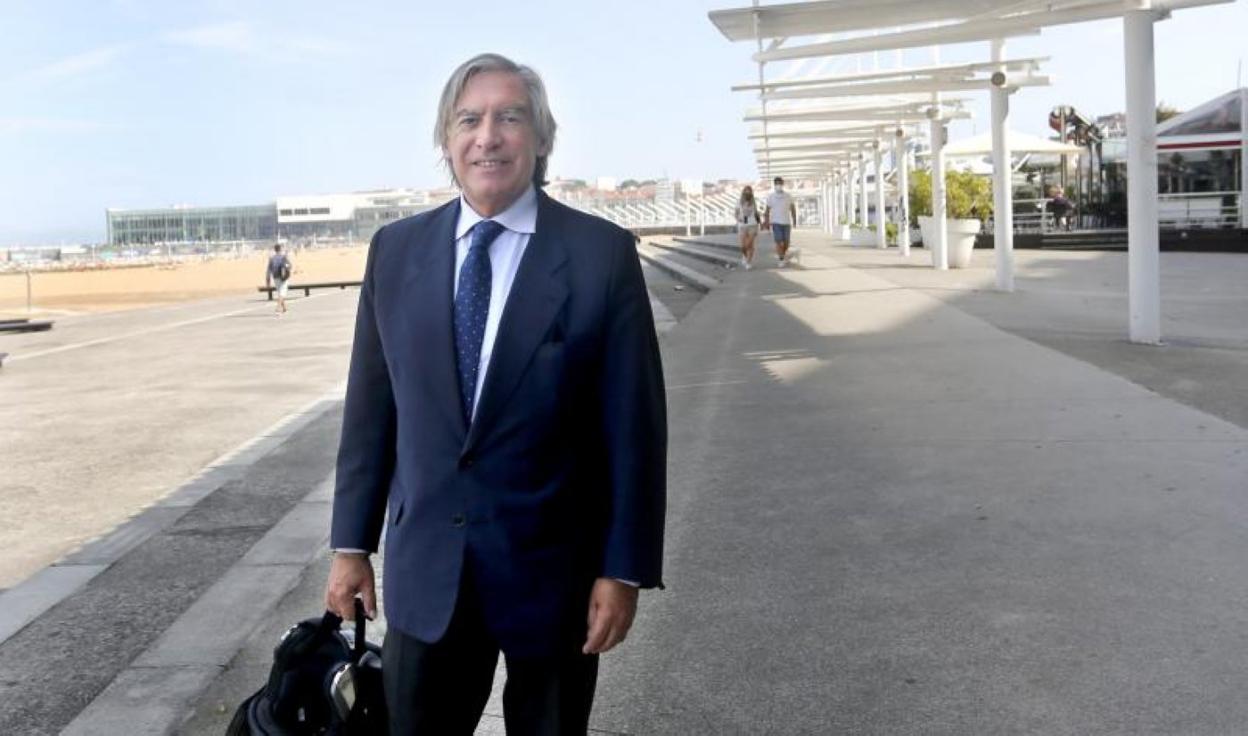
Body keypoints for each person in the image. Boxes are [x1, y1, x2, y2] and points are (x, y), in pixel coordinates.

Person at [325, 53, 667, 735]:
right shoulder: (395, 252)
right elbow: (371, 412)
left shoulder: (599, 254)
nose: (489, 136)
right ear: (446, 142)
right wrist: (349, 545)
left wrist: (623, 570)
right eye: (469, 120)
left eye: (510, 118)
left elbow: (635, 428)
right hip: (427, 576)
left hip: (557, 576)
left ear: (540, 138)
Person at [763, 176, 797, 267]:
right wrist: (766, 222)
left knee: (786, 243)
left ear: (783, 184)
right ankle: (781, 259)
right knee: (779, 241)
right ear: (774, 185)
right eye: (777, 184)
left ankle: (783, 255)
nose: (779, 185)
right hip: (776, 222)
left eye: (780, 183)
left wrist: (794, 220)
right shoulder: (771, 196)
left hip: (786, 222)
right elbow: (767, 210)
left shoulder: (788, 196)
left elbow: (793, 208)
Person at [735, 186, 760, 269]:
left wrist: (760, 223)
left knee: (750, 244)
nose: (747, 193)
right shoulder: (739, 202)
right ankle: (744, 256)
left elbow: (756, 213)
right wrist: (738, 218)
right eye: (746, 191)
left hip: (753, 224)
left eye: (749, 191)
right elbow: (736, 213)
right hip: (742, 225)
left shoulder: (754, 202)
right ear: (743, 192)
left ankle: (748, 262)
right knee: (743, 246)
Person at [265, 243, 292, 315]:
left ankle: (285, 309)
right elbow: (289, 266)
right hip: (283, 277)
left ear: (275, 249)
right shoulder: (283, 257)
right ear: (280, 249)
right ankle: (277, 309)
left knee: (280, 292)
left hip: (275, 277)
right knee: (282, 293)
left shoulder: (272, 259)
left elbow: (268, 270)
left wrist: (268, 281)